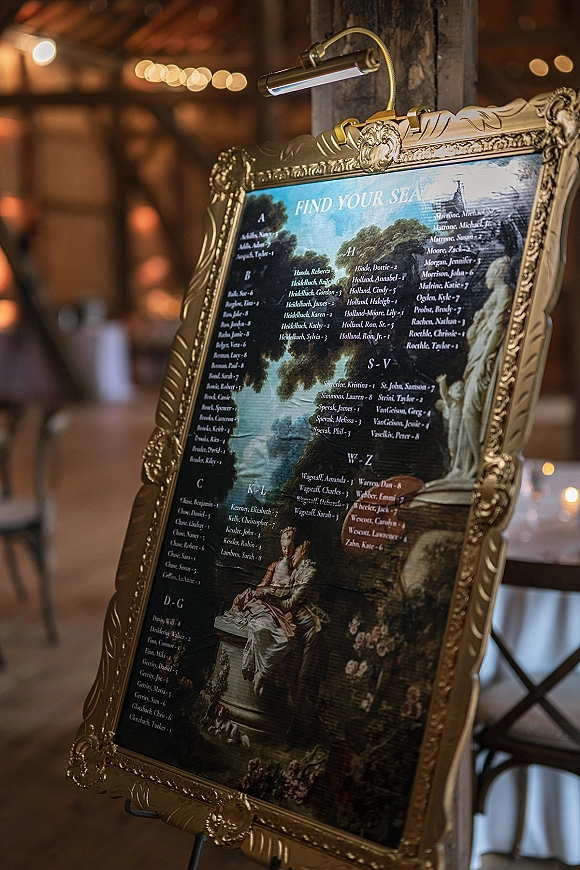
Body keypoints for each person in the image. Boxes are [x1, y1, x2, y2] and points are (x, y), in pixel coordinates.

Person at [260, 541, 328, 739]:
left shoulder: (310, 572)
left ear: (303, 551)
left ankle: (293, 730)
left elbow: (290, 602)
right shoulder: (294, 571)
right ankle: (299, 727)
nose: (292, 556)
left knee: (303, 678)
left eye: (295, 552)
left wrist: (270, 598)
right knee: (290, 675)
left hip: (311, 631)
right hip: (297, 628)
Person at [230, 527, 297, 695]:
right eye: (284, 548)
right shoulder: (274, 566)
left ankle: (262, 673)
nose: (287, 551)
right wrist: (267, 591)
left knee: (284, 640)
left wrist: (284, 597)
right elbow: (259, 589)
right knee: (260, 629)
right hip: (264, 606)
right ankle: (259, 675)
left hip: (280, 610)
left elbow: (295, 597)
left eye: (289, 548)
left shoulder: (295, 572)